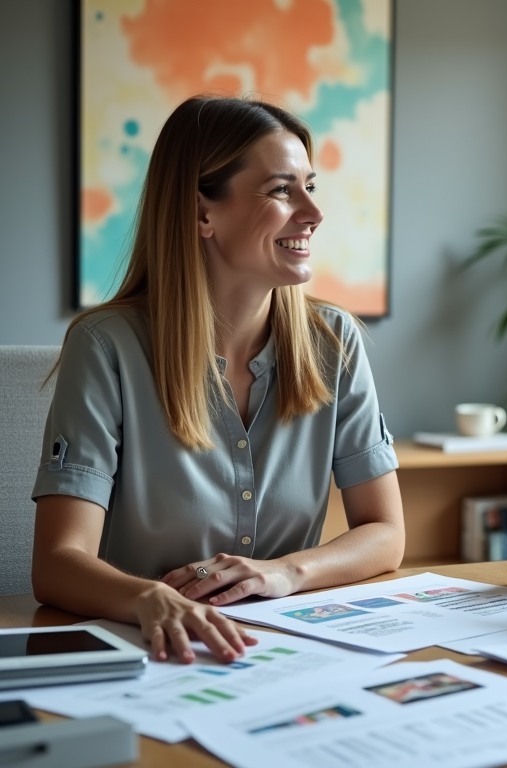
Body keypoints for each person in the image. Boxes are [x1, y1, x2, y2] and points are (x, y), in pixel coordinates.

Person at [31, 96, 404, 663]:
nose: (312, 212)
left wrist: (284, 573)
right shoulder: (106, 346)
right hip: (154, 652)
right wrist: (151, 599)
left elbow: (385, 531)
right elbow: (58, 561)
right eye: (282, 190)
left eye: (311, 186)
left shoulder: (335, 341)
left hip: (286, 650)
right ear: (202, 213)